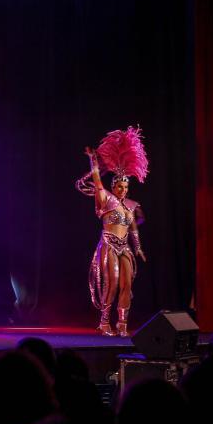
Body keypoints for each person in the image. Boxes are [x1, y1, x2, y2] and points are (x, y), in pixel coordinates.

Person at [76, 127, 148, 336]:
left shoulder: (131, 205)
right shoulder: (106, 198)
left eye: (125, 187)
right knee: (113, 282)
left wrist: (138, 248)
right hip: (109, 244)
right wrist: (93, 160)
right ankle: (104, 322)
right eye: (119, 186)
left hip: (124, 247)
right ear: (114, 186)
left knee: (127, 285)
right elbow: (96, 180)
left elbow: (133, 228)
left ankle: (122, 324)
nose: (123, 190)